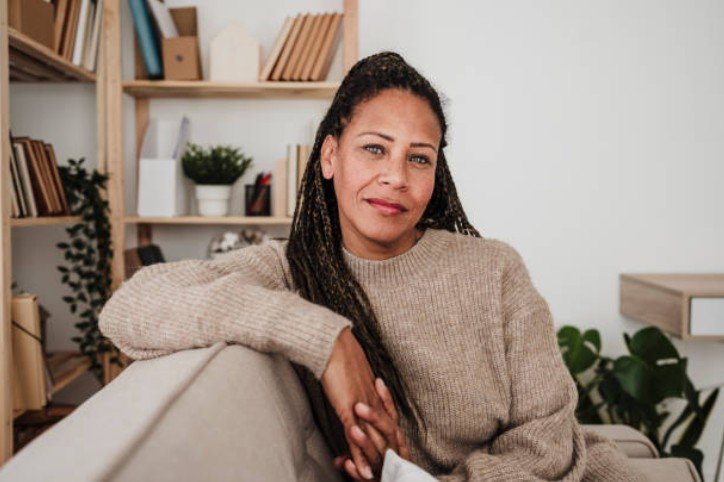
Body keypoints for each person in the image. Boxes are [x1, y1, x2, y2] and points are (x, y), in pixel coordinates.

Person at [98, 51, 647, 481]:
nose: (396, 178)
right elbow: (130, 307)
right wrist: (329, 340)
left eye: (418, 158)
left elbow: (548, 441)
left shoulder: (494, 269)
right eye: (375, 149)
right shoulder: (292, 271)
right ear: (329, 157)